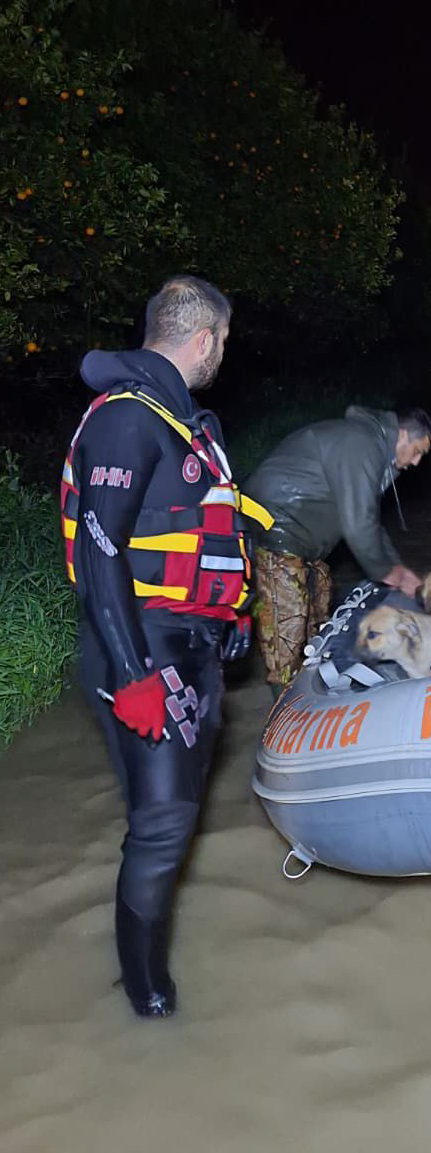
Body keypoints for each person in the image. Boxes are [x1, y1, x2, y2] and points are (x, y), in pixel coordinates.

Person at [61, 275, 272, 1018]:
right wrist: (133, 675)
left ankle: (141, 977)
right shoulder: (127, 419)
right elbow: (99, 547)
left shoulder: (184, 424)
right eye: (224, 341)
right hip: (144, 648)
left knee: (167, 818)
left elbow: (197, 531)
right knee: (163, 825)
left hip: (190, 644)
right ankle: (148, 1002)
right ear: (204, 338)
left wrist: (230, 615)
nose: (224, 353)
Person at [243, 406, 431, 685]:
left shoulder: (376, 454)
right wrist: (385, 572)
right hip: (277, 532)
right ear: (403, 435)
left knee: (319, 635)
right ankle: (286, 713)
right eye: (418, 451)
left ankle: (319, 705)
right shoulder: (361, 444)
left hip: (306, 546)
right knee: (286, 640)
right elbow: (358, 525)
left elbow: (371, 522)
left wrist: (398, 569)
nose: (417, 462)